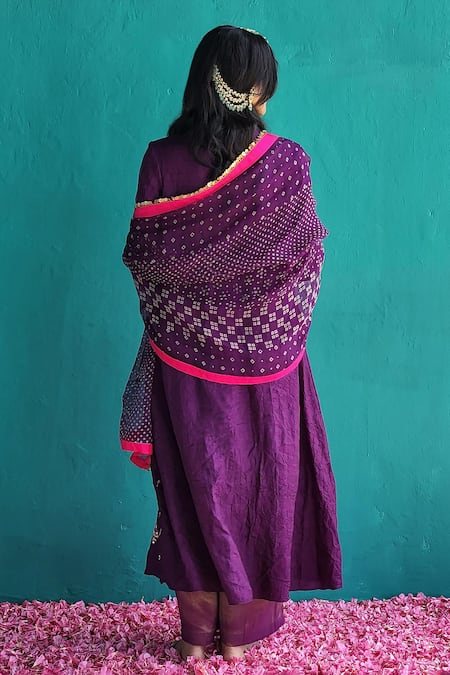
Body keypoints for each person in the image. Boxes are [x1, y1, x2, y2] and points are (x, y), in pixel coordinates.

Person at [120, 25, 342, 661]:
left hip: (181, 359)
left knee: (192, 490)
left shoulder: (160, 159)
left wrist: (195, 322)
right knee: (257, 489)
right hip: (270, 360)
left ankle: (195, 638)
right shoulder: (289, 162)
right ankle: (238, 640)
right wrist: (262, 328)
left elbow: (148, 264)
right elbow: (304, 265)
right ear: (256, 90)